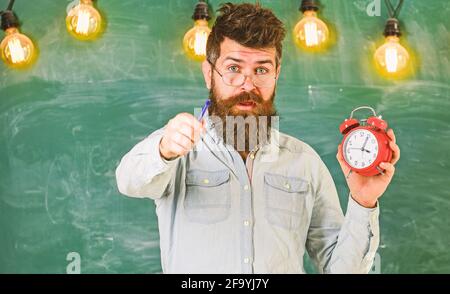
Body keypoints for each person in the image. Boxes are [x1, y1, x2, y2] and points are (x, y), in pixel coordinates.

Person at [115, 3, 400, 274]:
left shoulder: (305, 162)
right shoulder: (177, 149)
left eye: (261, 70)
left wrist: (363, 202)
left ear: (276, 74)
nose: (248, 84)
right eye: (233, 68)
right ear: (208, 74)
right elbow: (129, 181)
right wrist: (164, 150)